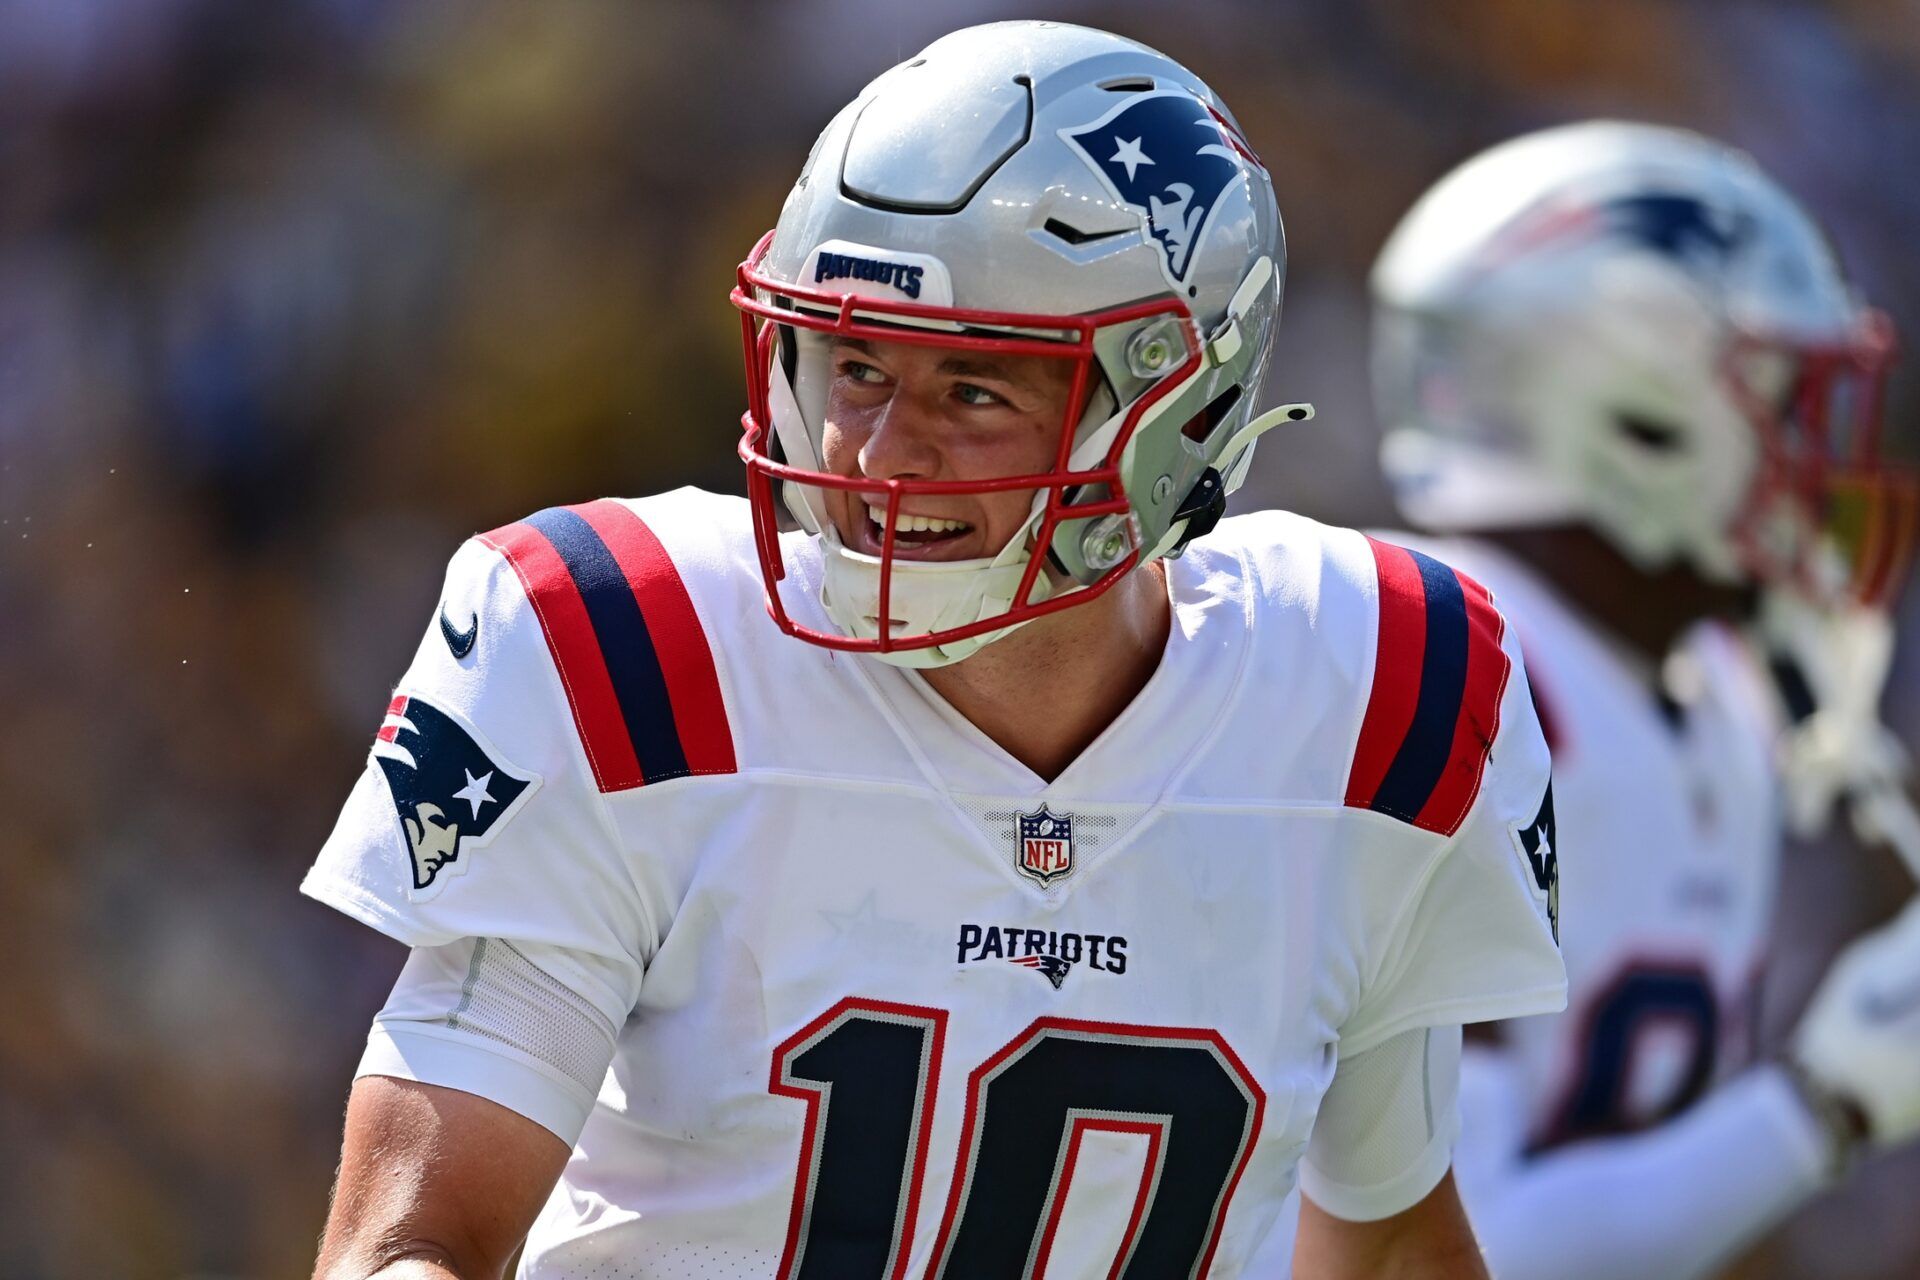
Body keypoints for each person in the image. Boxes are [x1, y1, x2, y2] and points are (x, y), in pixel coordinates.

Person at [302, 22, 1566, 1279]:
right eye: (855, 364)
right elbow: (415, 1239)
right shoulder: (629, 654)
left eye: (975, 389)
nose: (877, 455)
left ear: (1177, 411)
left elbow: (1391, 1235)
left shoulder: (1375, 694)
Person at [1354, 120, 1920, 1279]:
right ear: (1635, 419)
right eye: (1782, 402)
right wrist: (1824, 1104)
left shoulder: (1716, 697)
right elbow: (1449, 1253)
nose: (1824, 459)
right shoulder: (1422, 669)